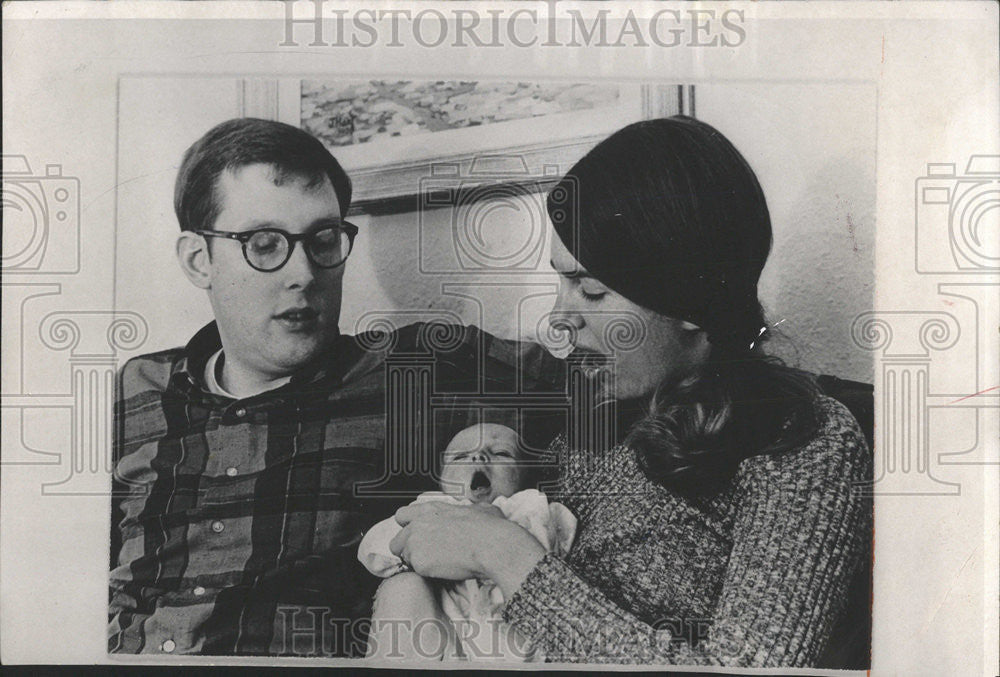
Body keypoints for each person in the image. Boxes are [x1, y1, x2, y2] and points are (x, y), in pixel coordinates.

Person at [385, 116, 874, 667]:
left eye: (591, 290)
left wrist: (502, 554)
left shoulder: (802, 440)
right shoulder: (593, 417)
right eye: (562, 280)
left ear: (691, 299)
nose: (559, 318)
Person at [108, 118, 563, 656]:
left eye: (323, 239)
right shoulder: (137, 390)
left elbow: (612, 380)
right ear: (198, 259)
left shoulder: (411, 371)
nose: (303, 272)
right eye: (264, 243)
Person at [358, 423, 576, 661]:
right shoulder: (431, 508)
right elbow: (373, 549)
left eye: (501, 453)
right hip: (446, 633)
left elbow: (556, 562)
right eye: (460, 456)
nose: (478, 456)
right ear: (442, 479)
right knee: (403, 588)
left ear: (527, 475)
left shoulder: (536, 506)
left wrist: (500, 532)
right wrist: (406, 554)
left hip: (515, 644)